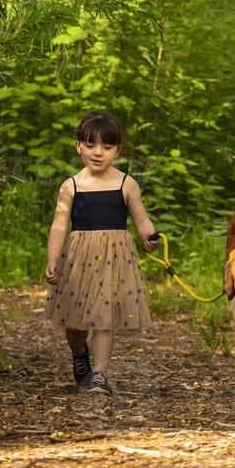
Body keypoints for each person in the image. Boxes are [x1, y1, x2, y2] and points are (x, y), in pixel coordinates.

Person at [45, 111, 160, 394]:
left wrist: (149, 236)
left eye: (107, 147)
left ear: (117, 150)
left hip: (114, 256)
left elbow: (141, 219)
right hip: (78, 258)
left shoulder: (126, 183)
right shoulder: (70, 186)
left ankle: (99, 375)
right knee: (75, 322)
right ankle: (79, 353)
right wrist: (52, 261)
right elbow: (59, 225)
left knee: (104, 316)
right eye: (91, 145)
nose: (98, 153)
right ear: (78, 146)